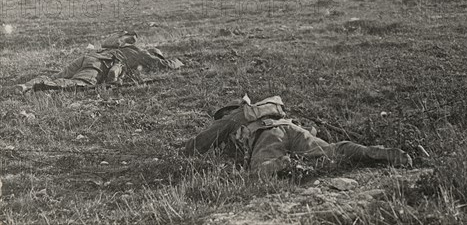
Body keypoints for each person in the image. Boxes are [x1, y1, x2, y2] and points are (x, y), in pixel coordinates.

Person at [186, 95, 412, 177]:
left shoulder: (233, 117)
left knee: (260, 169)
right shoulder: (269, 111)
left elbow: (203, 141)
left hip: (267, 136)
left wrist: (182, 152)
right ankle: (371, 152)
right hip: (292, 128)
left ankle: (287, 162)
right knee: (332, 151)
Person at [17, 31, 183, 92]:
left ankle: (26, 85)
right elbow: (163, 64)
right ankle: (39, 87)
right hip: (99, 63)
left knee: (57, 76)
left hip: (89, 56)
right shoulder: (140, 53)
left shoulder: (121, 47)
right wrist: (180, 62)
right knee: (79, 83)